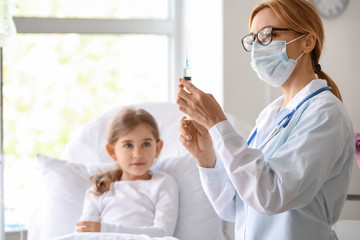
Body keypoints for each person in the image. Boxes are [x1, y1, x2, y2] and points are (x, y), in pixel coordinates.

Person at [176, 0, 354, 239]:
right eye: (253, 39)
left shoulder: (326, 113)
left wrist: (218, 123)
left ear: (307, 41)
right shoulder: (270, 115)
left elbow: (272, 196)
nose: (258, 47)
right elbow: (235, 206)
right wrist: (206, 155)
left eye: (267, 34)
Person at [75, 107, 179, 237]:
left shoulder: (162, 183)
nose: (138, 154)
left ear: (157, 148)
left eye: (146, 144)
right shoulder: (100, 189)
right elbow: (83, 232)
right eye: (128, 145)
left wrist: (106, 229)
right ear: (112, 152)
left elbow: (163, 233)